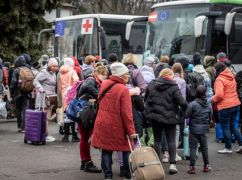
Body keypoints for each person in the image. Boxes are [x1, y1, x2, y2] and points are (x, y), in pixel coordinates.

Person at [92, 62, 136, 180]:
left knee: (106, 149)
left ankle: (108, 176)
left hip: (102, 122)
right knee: (126, 149)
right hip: (118, 125)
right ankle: (127, 175)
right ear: (121, 75)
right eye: (127, 74)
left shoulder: (105, 84)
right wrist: (131, 131)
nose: (128, 76)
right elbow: (127, 114)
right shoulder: (123, 89)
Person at [144, 68, 187, 174]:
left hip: (155, 117)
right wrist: (182, 111)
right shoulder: (173, 86)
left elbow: (146, 99)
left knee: (157, 140)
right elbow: (182, 102)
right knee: (171, 140)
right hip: (170, 117)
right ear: (171, 76)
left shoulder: (152, 84)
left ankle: (157, 164)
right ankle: (172, 164)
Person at [77, 63, 107, 173]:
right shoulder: (91, 80)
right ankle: (87, 162)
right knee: (86, 137)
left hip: (83, 112)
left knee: (84, 138)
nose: (104, 76)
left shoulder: (93, 80)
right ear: (96, 73)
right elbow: (87, 87)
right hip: (85, 112)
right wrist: (99, 95)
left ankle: (85, 161)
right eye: (102, 74)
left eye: (105, 74)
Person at [212, 62, 242, 154]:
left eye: (214, 70)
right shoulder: (231, 76)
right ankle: (241, 144)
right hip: (235, 104)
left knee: (225, 127)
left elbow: (219, 95)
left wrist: (212, 99)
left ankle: (228, 148)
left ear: (218, 70)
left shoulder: (219, 79)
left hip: (225, 106)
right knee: (233, 126)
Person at [186, 85, 212, 174]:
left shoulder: (192, 104)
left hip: (194, 129)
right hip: (204, 129)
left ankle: (192, 167)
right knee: (204, 147)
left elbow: (186, 115)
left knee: (193, 148)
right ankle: (206, 166)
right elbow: (210, 116)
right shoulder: (208, 104)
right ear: (204, 93)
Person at [33, 58, 59, 142]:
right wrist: (41, 89)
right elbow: (35, 81)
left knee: (47, 117)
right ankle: (44, 135)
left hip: (49, 97)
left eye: (57, 66)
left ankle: (44, 134)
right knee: (45, 117)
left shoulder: (53, 73)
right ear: (50, 66)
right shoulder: (44, 72)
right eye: (54, 66)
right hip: (43, 97)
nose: (56, 68)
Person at [58, 57, 79, 142]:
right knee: (72, 114)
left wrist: (62, 92)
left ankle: (66, 135)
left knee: (67, 114)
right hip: (71, 93)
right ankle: (74, 135)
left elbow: (59, 86)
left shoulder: (60, 72)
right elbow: (76, 81)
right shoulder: (72, 71)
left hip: (64, 93)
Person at [10, 56, 31, 132]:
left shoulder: (16, 70)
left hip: (18, 92)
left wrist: (12, 92)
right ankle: (25, 127)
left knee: (19, 109)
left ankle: (20, 127)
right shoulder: (28, 69)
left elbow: (13, 82)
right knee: (25, 109)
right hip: (27, 92)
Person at [172, 63, 186, 162]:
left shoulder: (169, 80)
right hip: (177, 109)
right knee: (176, 131)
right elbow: (183, 98)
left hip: (167, 108)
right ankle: (175, 154)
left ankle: (166, 153)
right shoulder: (182, 81)